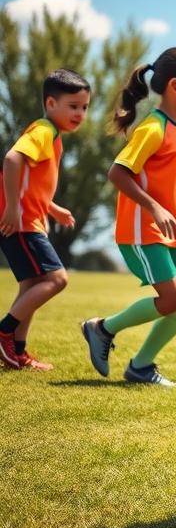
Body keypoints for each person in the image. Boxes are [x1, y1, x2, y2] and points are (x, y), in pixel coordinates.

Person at [81, 47, 176, 386]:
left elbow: (170, 175)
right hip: (143, 232)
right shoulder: (153, 128)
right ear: (175, 86)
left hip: (173, 234)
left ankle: (140, 366)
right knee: (173, 299)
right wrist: (154, 208)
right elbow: (119, 173)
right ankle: (102, 328)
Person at [0, 69, 90, 371]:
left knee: (32, 284)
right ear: (51, 104)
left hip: (31, 218)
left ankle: (18, 353)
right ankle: (4, 331)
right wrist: (12, 207)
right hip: (22, 222)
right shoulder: (44, 130)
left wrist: (51, 208)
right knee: (56, 279)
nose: (80, 113)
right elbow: (13, 160)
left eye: (84, 107)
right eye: (73, 106)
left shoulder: (52, 135)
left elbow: (31, 181)